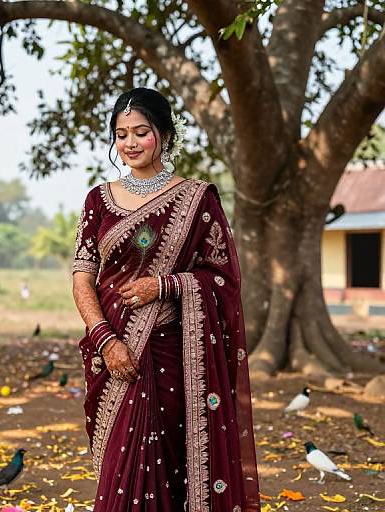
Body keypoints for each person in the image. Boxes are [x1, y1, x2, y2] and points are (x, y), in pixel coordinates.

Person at [72, 88, 260, 511]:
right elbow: (82, 277)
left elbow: (224, 279)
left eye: (141, 132)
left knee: (171, 469)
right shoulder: (98, 200)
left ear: (165, 134)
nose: (131, 143)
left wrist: (167, 285)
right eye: (121, 135)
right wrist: (105, 338)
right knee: (118, 468)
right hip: (112, 352)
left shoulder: (197, 199)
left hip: (171, 358)